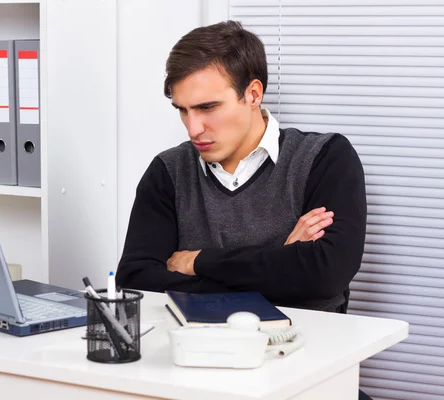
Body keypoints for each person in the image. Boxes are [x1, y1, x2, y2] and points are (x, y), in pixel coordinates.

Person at [115, 20, 367, 314]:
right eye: (183, 110)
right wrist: (280, 262)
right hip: (193, 349)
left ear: (253, 94)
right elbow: (136, 281)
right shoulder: (168, 171)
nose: (192, 129)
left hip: (306, 351)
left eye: (207, 107)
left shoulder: (324, 158)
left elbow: (325, 276)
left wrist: (197, 262)